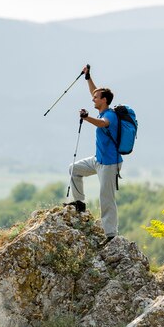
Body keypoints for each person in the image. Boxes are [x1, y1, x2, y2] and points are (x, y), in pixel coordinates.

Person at [66, 64, 122, 246]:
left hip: (109, 164)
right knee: (74, 169)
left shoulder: (110, 115)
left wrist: (87, 118)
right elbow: (95, 91)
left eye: (96, 98)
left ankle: (111, 234)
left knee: (106, 198)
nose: (93, 99)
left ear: (104, 100)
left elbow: (102, 124)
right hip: (98, 160)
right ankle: (79, 203)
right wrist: (88, 77)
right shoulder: (102, 107)